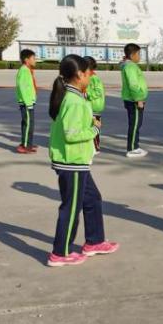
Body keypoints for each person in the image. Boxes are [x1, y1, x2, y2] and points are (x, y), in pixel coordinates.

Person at [47, 55, 118, 267]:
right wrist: (94, 128)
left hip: (77, 161)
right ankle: (60, 252)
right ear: (79, 75)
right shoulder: (74, 100)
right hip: (72, 162)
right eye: (88, 74)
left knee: (93, 198)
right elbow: (71, 134)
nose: (90, 77)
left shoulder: (74, 96)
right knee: (71, 207)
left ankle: (94, 241)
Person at [121, 43, 149, 158]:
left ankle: (135, 146)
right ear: (132, 55)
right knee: (135, 124)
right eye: (138, 54)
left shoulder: (128, 66)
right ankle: (132, 148)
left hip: (132, 99)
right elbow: (133, 85)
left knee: (136, 124)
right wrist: (138, 99)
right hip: (134, 100)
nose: (139, 57)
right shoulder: (130, 67)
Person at [15, 48, 38, 154]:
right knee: (28, 124)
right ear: (26, 59)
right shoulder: (24, 70)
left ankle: (28, 143)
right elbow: (23, 87)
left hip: (29, 102)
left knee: (29, 124)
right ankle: (24, 146)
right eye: (33, 58)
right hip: (26, 103)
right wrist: (28, 103)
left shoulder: (27, 70)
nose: (35, 60)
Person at [84, 57, 105, 152]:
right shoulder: (87, 77)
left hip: (94, 107)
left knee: (94, 127)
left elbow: (98, 91)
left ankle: (95, 148)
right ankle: (91, 146)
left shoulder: (94, 78)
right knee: (89, 126)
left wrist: (87, 94)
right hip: (90, 106)